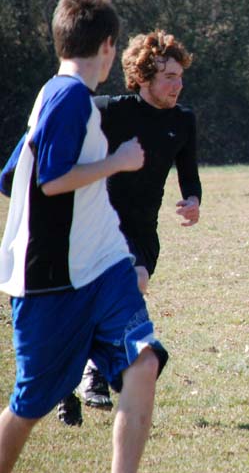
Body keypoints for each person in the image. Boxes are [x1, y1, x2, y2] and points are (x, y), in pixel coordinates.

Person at [0, 0, 168, 472]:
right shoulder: (69, 97)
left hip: (104, 266)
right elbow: (50, 180)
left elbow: (12, 177)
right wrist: (117, 161)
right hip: (51, 281)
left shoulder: (59, 96)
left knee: (143, 362)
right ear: (109, 45)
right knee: (29, 404)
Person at [55, 30, 201, 426]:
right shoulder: (108, 110)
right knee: (127, 286)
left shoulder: (183, 120)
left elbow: (188, 171)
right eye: (168, 77)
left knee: (120, 292)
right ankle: (87, 376)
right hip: (97, 224)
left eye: (179, 76)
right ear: (142, 77)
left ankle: (78, 378)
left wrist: (193, 200)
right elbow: (62, 125)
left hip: (143, 232)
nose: (177, 85)